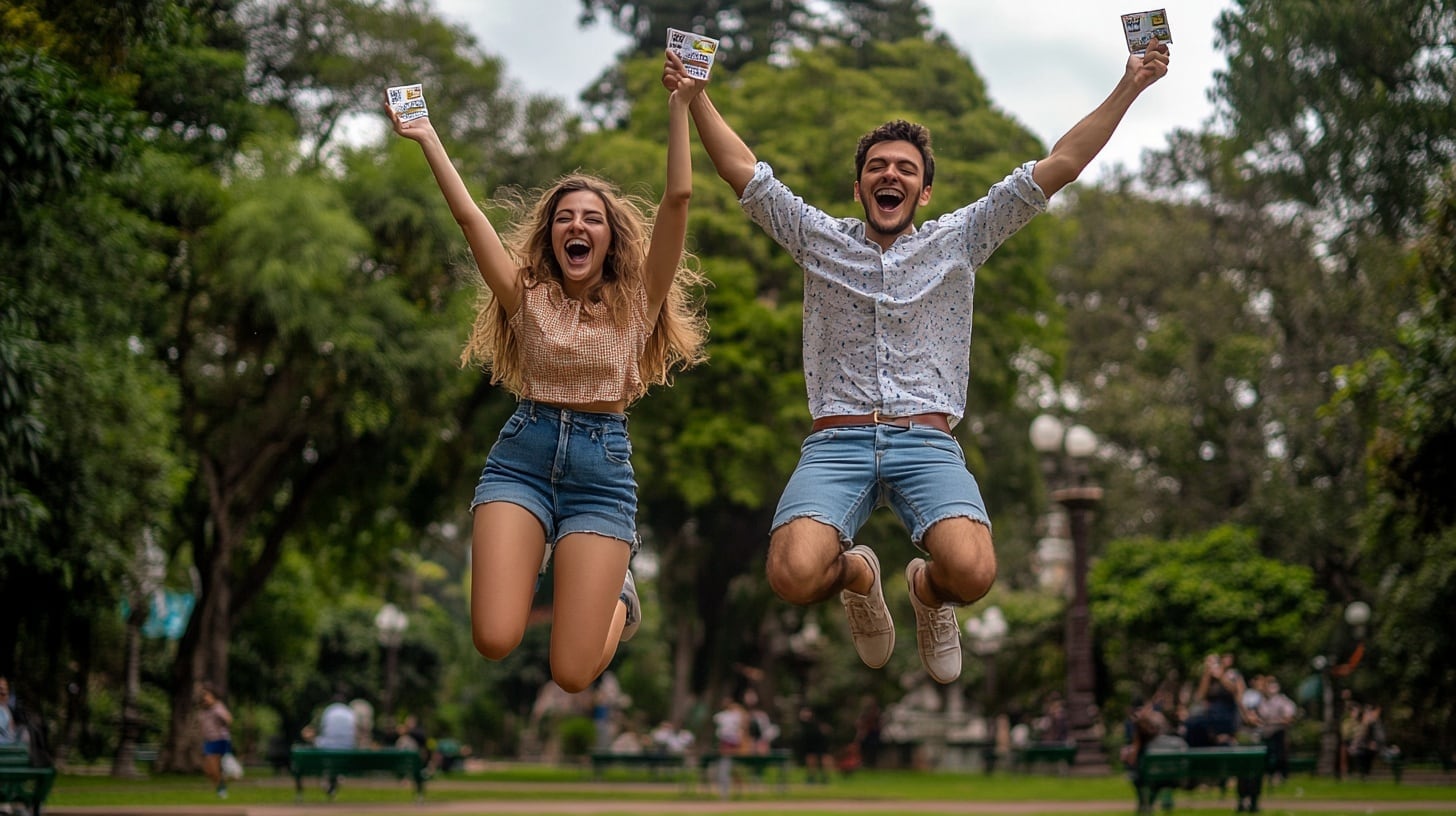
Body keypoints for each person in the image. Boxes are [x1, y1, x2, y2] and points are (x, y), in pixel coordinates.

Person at [664, 36, 1170, 684]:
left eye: (905, 168)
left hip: (926, 443)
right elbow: (743, 172)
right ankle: (858, 573)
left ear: (924, 192)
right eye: (877, 166)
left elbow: (1062, 163)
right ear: (858, 186)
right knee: (791, 574)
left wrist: (1131, 84)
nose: (890, 175)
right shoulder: (818, 239)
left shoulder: (960, 239)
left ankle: (928, 594)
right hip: (837, 443)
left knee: (974, 572)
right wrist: (696, 97)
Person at [385, 49, 708, 695]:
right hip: (522, 459)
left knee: (572, 674)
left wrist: (682, 105)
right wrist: (427, 137)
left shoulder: (639, 300)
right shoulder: (525, 294)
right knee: (494, 638)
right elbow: (470, 218)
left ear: (610, 239)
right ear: (552, 237)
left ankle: (620, 599)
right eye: (564, 218)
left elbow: (678, 198)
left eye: (591, 218)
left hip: (601, 474)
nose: (576, 226)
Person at [1256, 676, 1297, 784]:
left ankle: (1280, 775)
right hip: (1265, 733)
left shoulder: (1282, 700)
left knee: (1279, 753)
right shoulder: (1262, 701)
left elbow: (1288, 718)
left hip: (1279, 732)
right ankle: (1267, 774)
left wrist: (1272, 722)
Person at [196, 684, 233, 799]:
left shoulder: (218, 707)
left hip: (220, 739)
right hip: (208, 741)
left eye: (208, 696)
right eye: (204, 696)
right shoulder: (202, 710)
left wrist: (220, 716)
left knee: (214, 767)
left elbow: (229, 720)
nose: (206, 698)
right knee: (208, 770)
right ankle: (221, 785)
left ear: (213, 696)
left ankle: (221, 789)